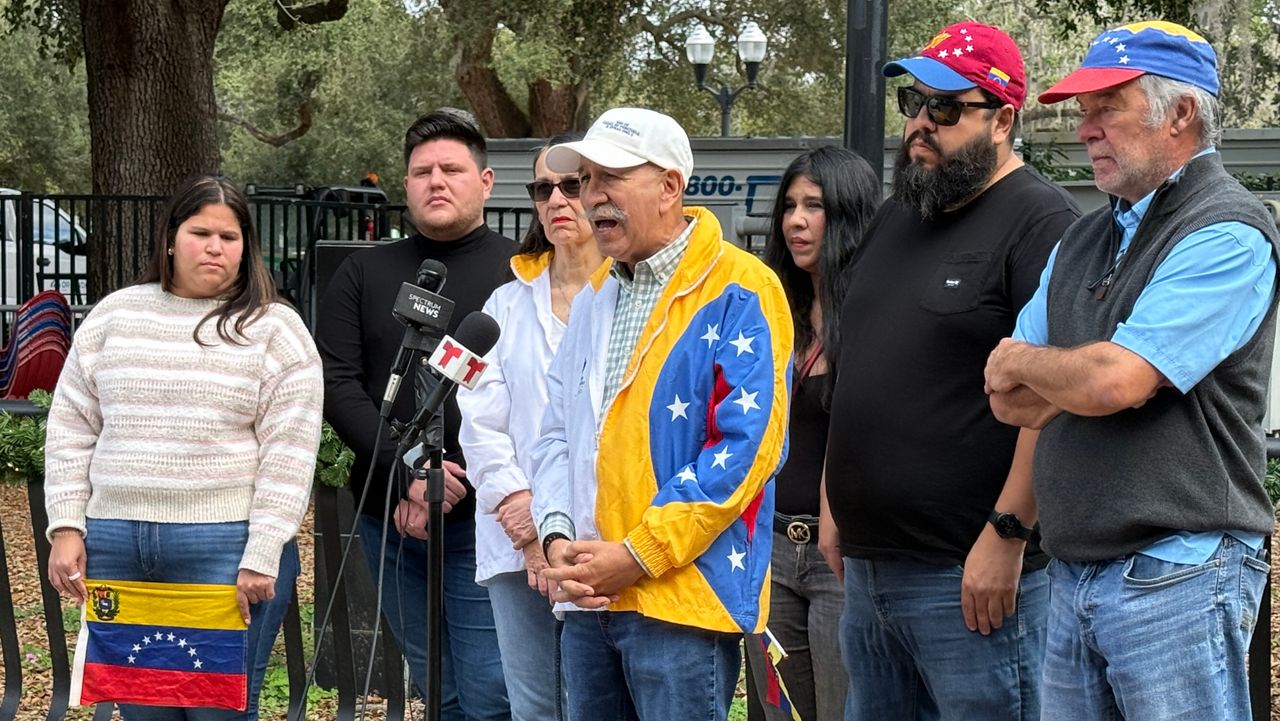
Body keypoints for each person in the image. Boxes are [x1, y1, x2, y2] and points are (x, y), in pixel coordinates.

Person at [985, 21, 1279, 721]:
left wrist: (1031, 358)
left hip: (1179, 574)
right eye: (1082, 110)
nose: (1084, 129)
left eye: (1105, 107)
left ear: (1180, 113)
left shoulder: (1228, 230)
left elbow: (1113, 382)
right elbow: (1010, 401)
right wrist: (1070, 376)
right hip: (1077, 572)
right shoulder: (1086, 234)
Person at [816, 22, 1081, 720]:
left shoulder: (1042, 221)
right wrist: (831, 501)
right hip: (870, 571)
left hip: (969, 578)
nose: (919, 125)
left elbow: (1056, 395)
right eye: (913, 101)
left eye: (945, 108)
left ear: (1003, 120)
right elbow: (858, 367)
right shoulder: (899, 214)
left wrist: (1008, 531)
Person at [529, 107, 793, 721]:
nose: (593, 197)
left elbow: (746, 450)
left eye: (610, 178)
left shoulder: (741, 287)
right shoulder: (599, 292)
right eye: (585, 180)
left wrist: (638, 555)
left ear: (670, 187)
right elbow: (557, 434)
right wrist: (559, 535)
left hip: (680, 607)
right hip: (592, 602)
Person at [43, 174, 322, 720]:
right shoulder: (115, 316)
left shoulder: (273, 329)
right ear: (171, 238)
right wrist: (67, 526)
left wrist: (264, 551)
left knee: (217, 713)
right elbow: (72, 427)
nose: (216, 246)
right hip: (116, 546)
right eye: (201, 232)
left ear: (247, 247)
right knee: (144, 711)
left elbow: (289, 453)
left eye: (231, 236)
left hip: (223, 550)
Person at [316, 108, 513, 720]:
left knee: (492, 693)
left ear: (484, 181)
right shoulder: (363, 272)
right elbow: (338, 383)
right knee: (440, 691)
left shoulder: (522, 272)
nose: (436, 181)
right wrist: (405, 473)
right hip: (390, 520)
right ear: (405, 186)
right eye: (422, 171)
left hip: (490, 518)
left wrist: (459, 479)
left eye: (452, 169)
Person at [456, 132, 605, 721]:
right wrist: (526, 521)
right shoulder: (502, 305)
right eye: (544, 188)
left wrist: (560, 530)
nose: (557, 200)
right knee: (535, 706)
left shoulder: (634, 297)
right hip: (514, 533)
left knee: (598, 703)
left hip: (603, 536)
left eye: (572, 185)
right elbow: (479, 420)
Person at [742, 146, 879, 721]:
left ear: (849, 213)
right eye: (790, 205)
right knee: (779, 714)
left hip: (842, 556)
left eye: (815, 206)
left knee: (845, 712)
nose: (795, 220)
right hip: (766, 549)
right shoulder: (767, 309)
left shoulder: (878, 311)